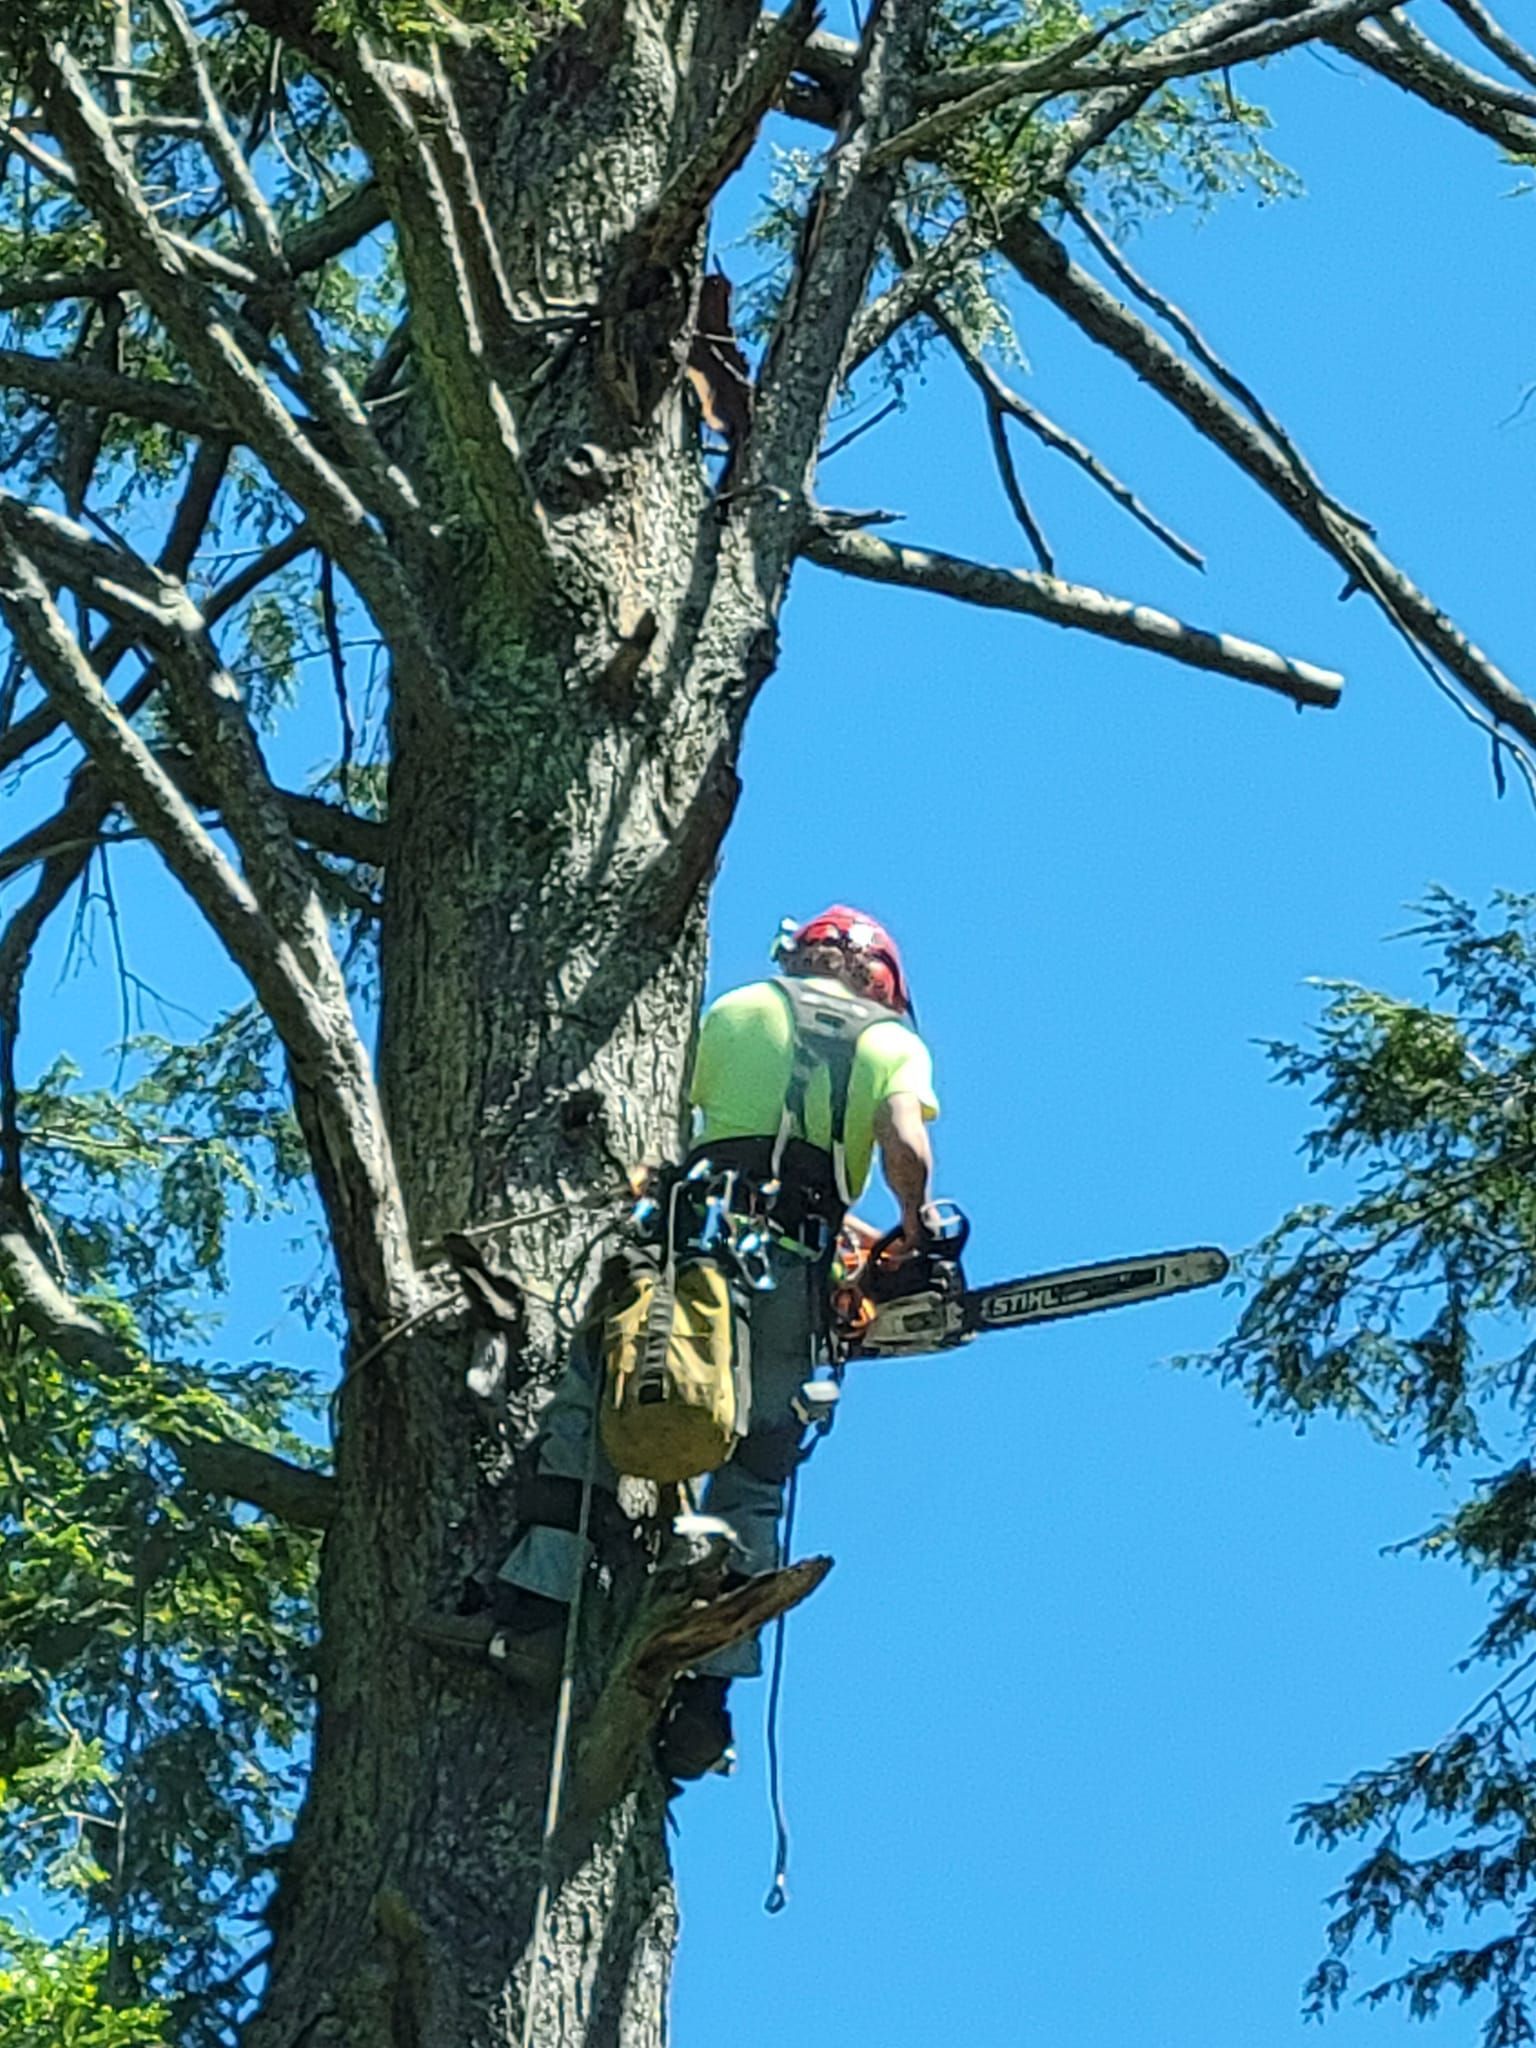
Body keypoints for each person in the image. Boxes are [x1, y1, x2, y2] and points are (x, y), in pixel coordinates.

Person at [490, 906, 941, 1777]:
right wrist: (910, 1230)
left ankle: (536, 1615)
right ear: (882, 981)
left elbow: (693, 1132)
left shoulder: (738, 1008)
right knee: (757, 1474)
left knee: (592, 1402)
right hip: (796, 1275)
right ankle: (705, 1702)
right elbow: (904, 1147)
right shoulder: (893, 1044)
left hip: (693, 1251)